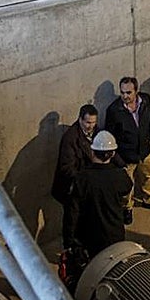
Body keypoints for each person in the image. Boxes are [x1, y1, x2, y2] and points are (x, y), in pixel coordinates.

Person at [104, 76, 150, 223]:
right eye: (122, 92)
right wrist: (118, 158)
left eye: (129, 92)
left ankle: (148, 200)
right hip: (126, 157)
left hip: (144, 151)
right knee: (127, 186)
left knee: (148, 177)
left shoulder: (146, 101)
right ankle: (127, 208)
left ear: (136, 91)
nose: (125, 96)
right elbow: (110, 136)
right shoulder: (114, 110)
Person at [73, 131, 133, 259]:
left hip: (90, 234)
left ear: (93, 151)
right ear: (112, 153)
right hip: (114, 232)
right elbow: (127, 187)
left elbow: (73, 211)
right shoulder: (120, 176)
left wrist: (69, 241)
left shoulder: (82, 178)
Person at [51, 104, 99, 249]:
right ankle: (69, 248)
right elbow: (66, 168)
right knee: (72, 219)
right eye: (88, 122)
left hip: (85, 184)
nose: (91, 126)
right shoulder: (70, 138)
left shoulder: (97, 131)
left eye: (93, 122)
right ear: (80, 120)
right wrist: (86, 179)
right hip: (71, 188)